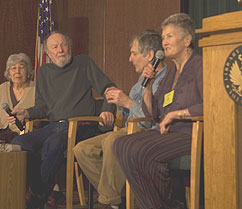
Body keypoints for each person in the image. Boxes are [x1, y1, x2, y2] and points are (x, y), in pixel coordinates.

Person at [10, 32, 116, 209]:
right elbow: (43, 107)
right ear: (48, 54)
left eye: (63, 45)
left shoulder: (84, 63)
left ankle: (36, 199)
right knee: (18, 143)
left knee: (54, 143)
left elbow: (109, 89)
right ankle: (38, 190)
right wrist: (26, 113)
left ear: (70, 47)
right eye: (55, 47)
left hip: (80, 125)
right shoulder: (43, 72)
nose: (60, 50)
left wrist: (107, 111)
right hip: (53, 126)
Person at [113, 13, 203, 209]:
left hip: (189, 134)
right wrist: (148, 85)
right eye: (163, 37)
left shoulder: (200, 66)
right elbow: (152, 113)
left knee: (142, 151)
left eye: (169, 36)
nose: (164, 42)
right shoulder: (170, 72)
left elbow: (211, 104)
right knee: (120, 144)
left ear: (187, 40)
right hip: (163, 133)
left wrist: (176, 114)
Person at [73, 30, 167, 209]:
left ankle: (109, 201)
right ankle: (119, 197)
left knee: (112, 141)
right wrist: (115, 108)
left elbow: (153, 118)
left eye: (134, 53)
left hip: (149, 133)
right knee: (82, 149)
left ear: (150, 55)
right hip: (128, 130)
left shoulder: (167, 80)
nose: (130, 59)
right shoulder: (140, 81)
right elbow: (126, 118)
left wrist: (128, 102)